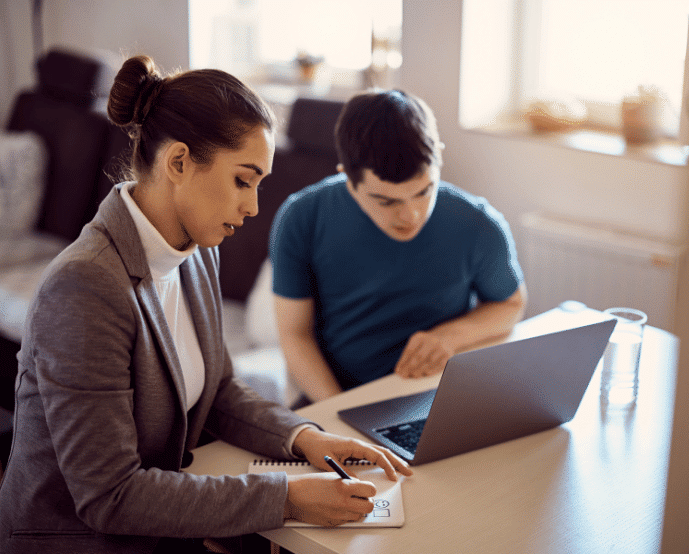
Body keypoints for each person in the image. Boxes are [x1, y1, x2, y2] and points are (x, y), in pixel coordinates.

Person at [0, 55, 411, 554]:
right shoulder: (85, 286)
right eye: (243, 180)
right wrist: (286, 498)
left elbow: (217, 390)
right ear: (178, 163)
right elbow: (108, 496)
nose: (254, 207)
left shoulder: (194, 256)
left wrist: (305, 437)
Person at [270, 89, 527, 404]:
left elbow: (511, 305)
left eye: (423, 192)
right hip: (336, 396)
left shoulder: (478, 223)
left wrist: (450, 336)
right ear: (347, 179)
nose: (411, 216)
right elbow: (295, 334)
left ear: (440, 158)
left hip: (438, 395)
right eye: (386, 201)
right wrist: (339, 411)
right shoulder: (301, 217)